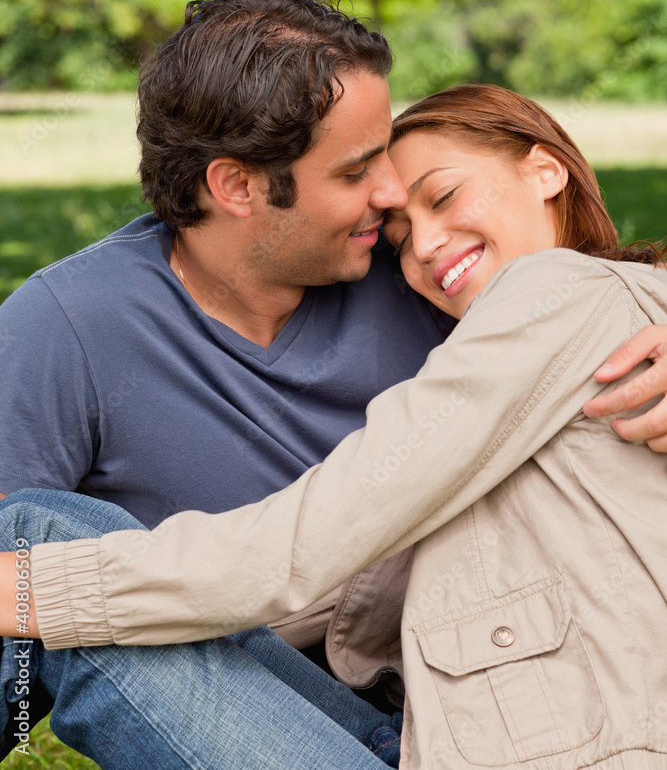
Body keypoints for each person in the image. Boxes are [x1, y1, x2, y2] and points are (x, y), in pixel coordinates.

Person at [1, 84, 667, 769]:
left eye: (441, 198)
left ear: (544, 170)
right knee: (54, 553)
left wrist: (42, 592)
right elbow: (330, 593)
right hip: (407, 740)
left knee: (35, 546)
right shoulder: (596, 336)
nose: (427, 247)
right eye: (401, 237)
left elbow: (305, 544)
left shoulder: (555, 293)